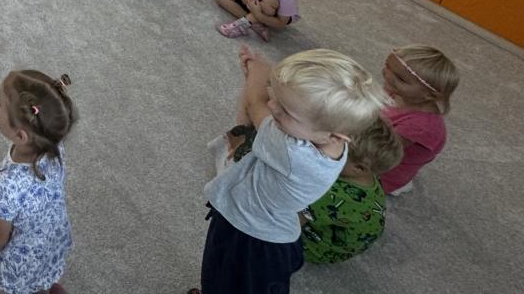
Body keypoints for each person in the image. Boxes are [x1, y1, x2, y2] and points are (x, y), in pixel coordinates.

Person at [189, 46, 386, 294]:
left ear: (333, 134)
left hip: (248, 233)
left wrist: (256, 71)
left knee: (224, 277)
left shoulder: (291, 152)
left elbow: (255, 103)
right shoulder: (335, 144)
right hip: (270, 228)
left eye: (286, 110)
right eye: (275, 96)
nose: (273, 106)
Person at [0, 70, 75, 294]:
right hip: (53, 240)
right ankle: (46, 287)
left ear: (20, 136)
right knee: (41, 279)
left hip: (21, 262)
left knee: (0, 285)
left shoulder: (7, 187)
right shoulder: (54, 146)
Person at [300, 116, 403, 264]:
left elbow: (294, 220)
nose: (317, 147)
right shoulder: (367, 176)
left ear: (359, 168)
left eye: (331, 147)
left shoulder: (333, 196)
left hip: (319, 247)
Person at [378, 45, 459, 195]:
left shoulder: (420, 126)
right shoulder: (398, 91)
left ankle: (397, 185)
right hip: (380, 139)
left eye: (400, 78)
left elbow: (379, 152)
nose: (387, 75)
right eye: (387, 66)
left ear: (428, 95)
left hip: (384, 170)